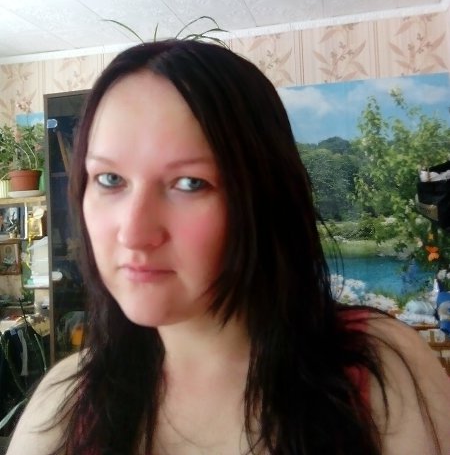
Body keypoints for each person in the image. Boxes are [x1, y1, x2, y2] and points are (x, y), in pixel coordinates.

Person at [6, 40, 450, 455]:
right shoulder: (64, 405)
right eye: (109, 179)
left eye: (190, 183)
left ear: (264, 195)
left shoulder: (378, 372)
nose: (134, 233)